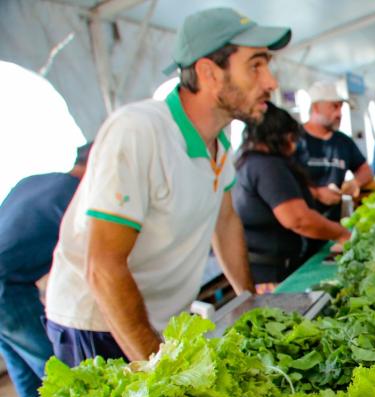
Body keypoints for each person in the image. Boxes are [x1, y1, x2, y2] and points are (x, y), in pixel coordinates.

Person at [44, 7, 291, 366]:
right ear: (208, 72)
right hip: (102, 325)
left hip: (160, 320)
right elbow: (103, 267)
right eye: (255, 65)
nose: (271, 82)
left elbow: (225, 222)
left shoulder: (218, 144)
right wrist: (157, 369)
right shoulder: (139, 130)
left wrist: (249, 302)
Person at [0, 143, 90, 397]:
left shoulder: (36, 181)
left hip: (14, 283)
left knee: (23, 370)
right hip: (6, 287)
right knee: (55, 370)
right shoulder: (74, 195)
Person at [233, 102, 351, 290]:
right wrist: (341, 233)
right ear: (280, 136)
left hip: (266, 266)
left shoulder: (248, 161)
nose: (295, 145)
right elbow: (298, 219)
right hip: (271, 273)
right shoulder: (268, 166)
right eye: (292, 137)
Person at [297, 81, 373, 222]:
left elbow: (366, 170)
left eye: (341, 107)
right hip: (303, 223)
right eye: (334, 107)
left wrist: (355, 182)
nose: (339, 113)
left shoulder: (344, 141)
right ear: (316, 107)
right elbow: (280, 181)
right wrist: (316, 193)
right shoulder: (294, 139)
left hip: (334, 223)